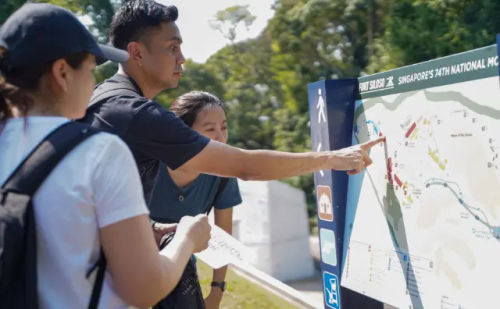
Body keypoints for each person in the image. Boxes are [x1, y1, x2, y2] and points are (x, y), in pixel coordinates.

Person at [0, 3, 211, 308]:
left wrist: (142, 229)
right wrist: (187, 238)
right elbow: (145, 288)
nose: (94, 82)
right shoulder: (98, 152)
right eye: (89, 68)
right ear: (62, 73)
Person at [81, 0, 383, 209]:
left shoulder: (102, 97)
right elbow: (245, 165)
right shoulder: (135, 113)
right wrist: (331, 159)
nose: (182, 58)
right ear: (136, 53)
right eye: (172, 48)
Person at [149, 91, 242, 308]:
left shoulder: (223, 172)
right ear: (181, 132)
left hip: (182, 276)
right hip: (130, 267)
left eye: (224, 127)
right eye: (210, 129)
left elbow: (224, 235)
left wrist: (216, 292)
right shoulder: (148, 164)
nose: (220, 137)